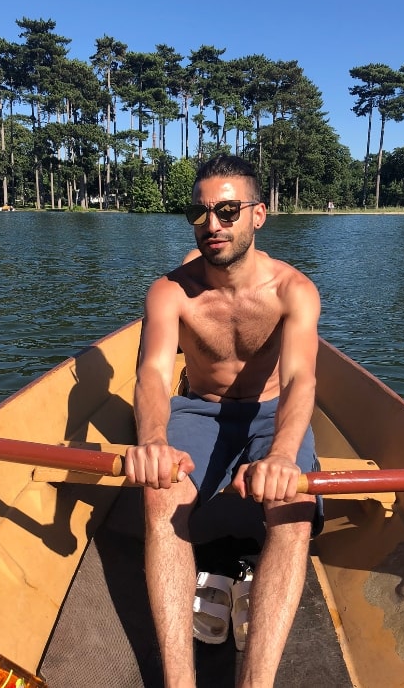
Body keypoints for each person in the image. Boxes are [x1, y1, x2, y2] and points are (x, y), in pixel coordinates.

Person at [125, 154, 322, 688]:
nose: (213, 223)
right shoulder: (170, 291)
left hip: (270, 413)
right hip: (199, 409)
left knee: (294, 506)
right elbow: (152, 375)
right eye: (201, 211)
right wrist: (153, 440)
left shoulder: (293, 290)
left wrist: (282, 455)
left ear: (259, 214)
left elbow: (302, 381)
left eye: (228, 210)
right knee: (161, 490)